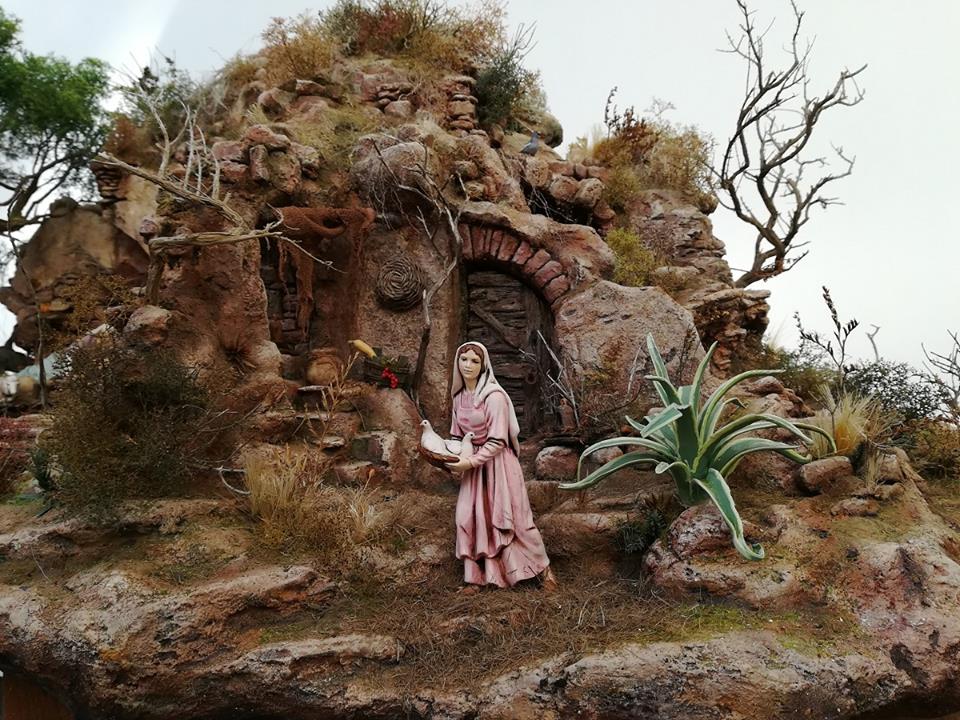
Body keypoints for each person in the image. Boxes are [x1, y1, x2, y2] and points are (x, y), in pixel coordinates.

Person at [445, 341, 557, 593]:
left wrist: (469, 461)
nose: (468, 365)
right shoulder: (459, 398)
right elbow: (456, 436)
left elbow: (497, 441)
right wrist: (449, 457)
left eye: (475, 361)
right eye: (464, 359)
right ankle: (475, 577)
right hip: (473, 469)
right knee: (468, 517)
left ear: (483, 365)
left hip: (498, 466)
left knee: (513, 519)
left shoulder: (494, 397)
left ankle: (545, 571)